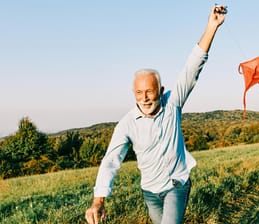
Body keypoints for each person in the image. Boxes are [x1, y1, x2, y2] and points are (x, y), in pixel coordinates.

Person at [85, 5, 227, 224]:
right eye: (139, 93)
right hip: (150, 192)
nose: (145, 98)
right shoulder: (126, 124)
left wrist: (211, 27)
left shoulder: (173, 103)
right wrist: (98, 201)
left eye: (150, 91)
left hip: (176, 184)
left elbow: (193, 66)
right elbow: (111, 161)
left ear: (160, 91)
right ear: (134, 94)